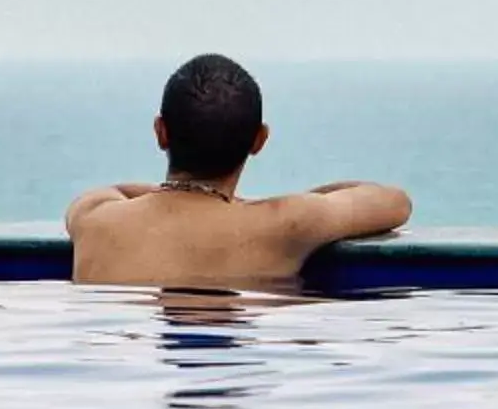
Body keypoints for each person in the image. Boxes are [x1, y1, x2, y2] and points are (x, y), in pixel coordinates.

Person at [65, 54, 412, 289]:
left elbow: (115, 191)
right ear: (259, 140)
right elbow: (394, 203)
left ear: (160, 132)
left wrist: (179, 196)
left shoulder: (95, 219)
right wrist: (252, 207)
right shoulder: (287, 222)